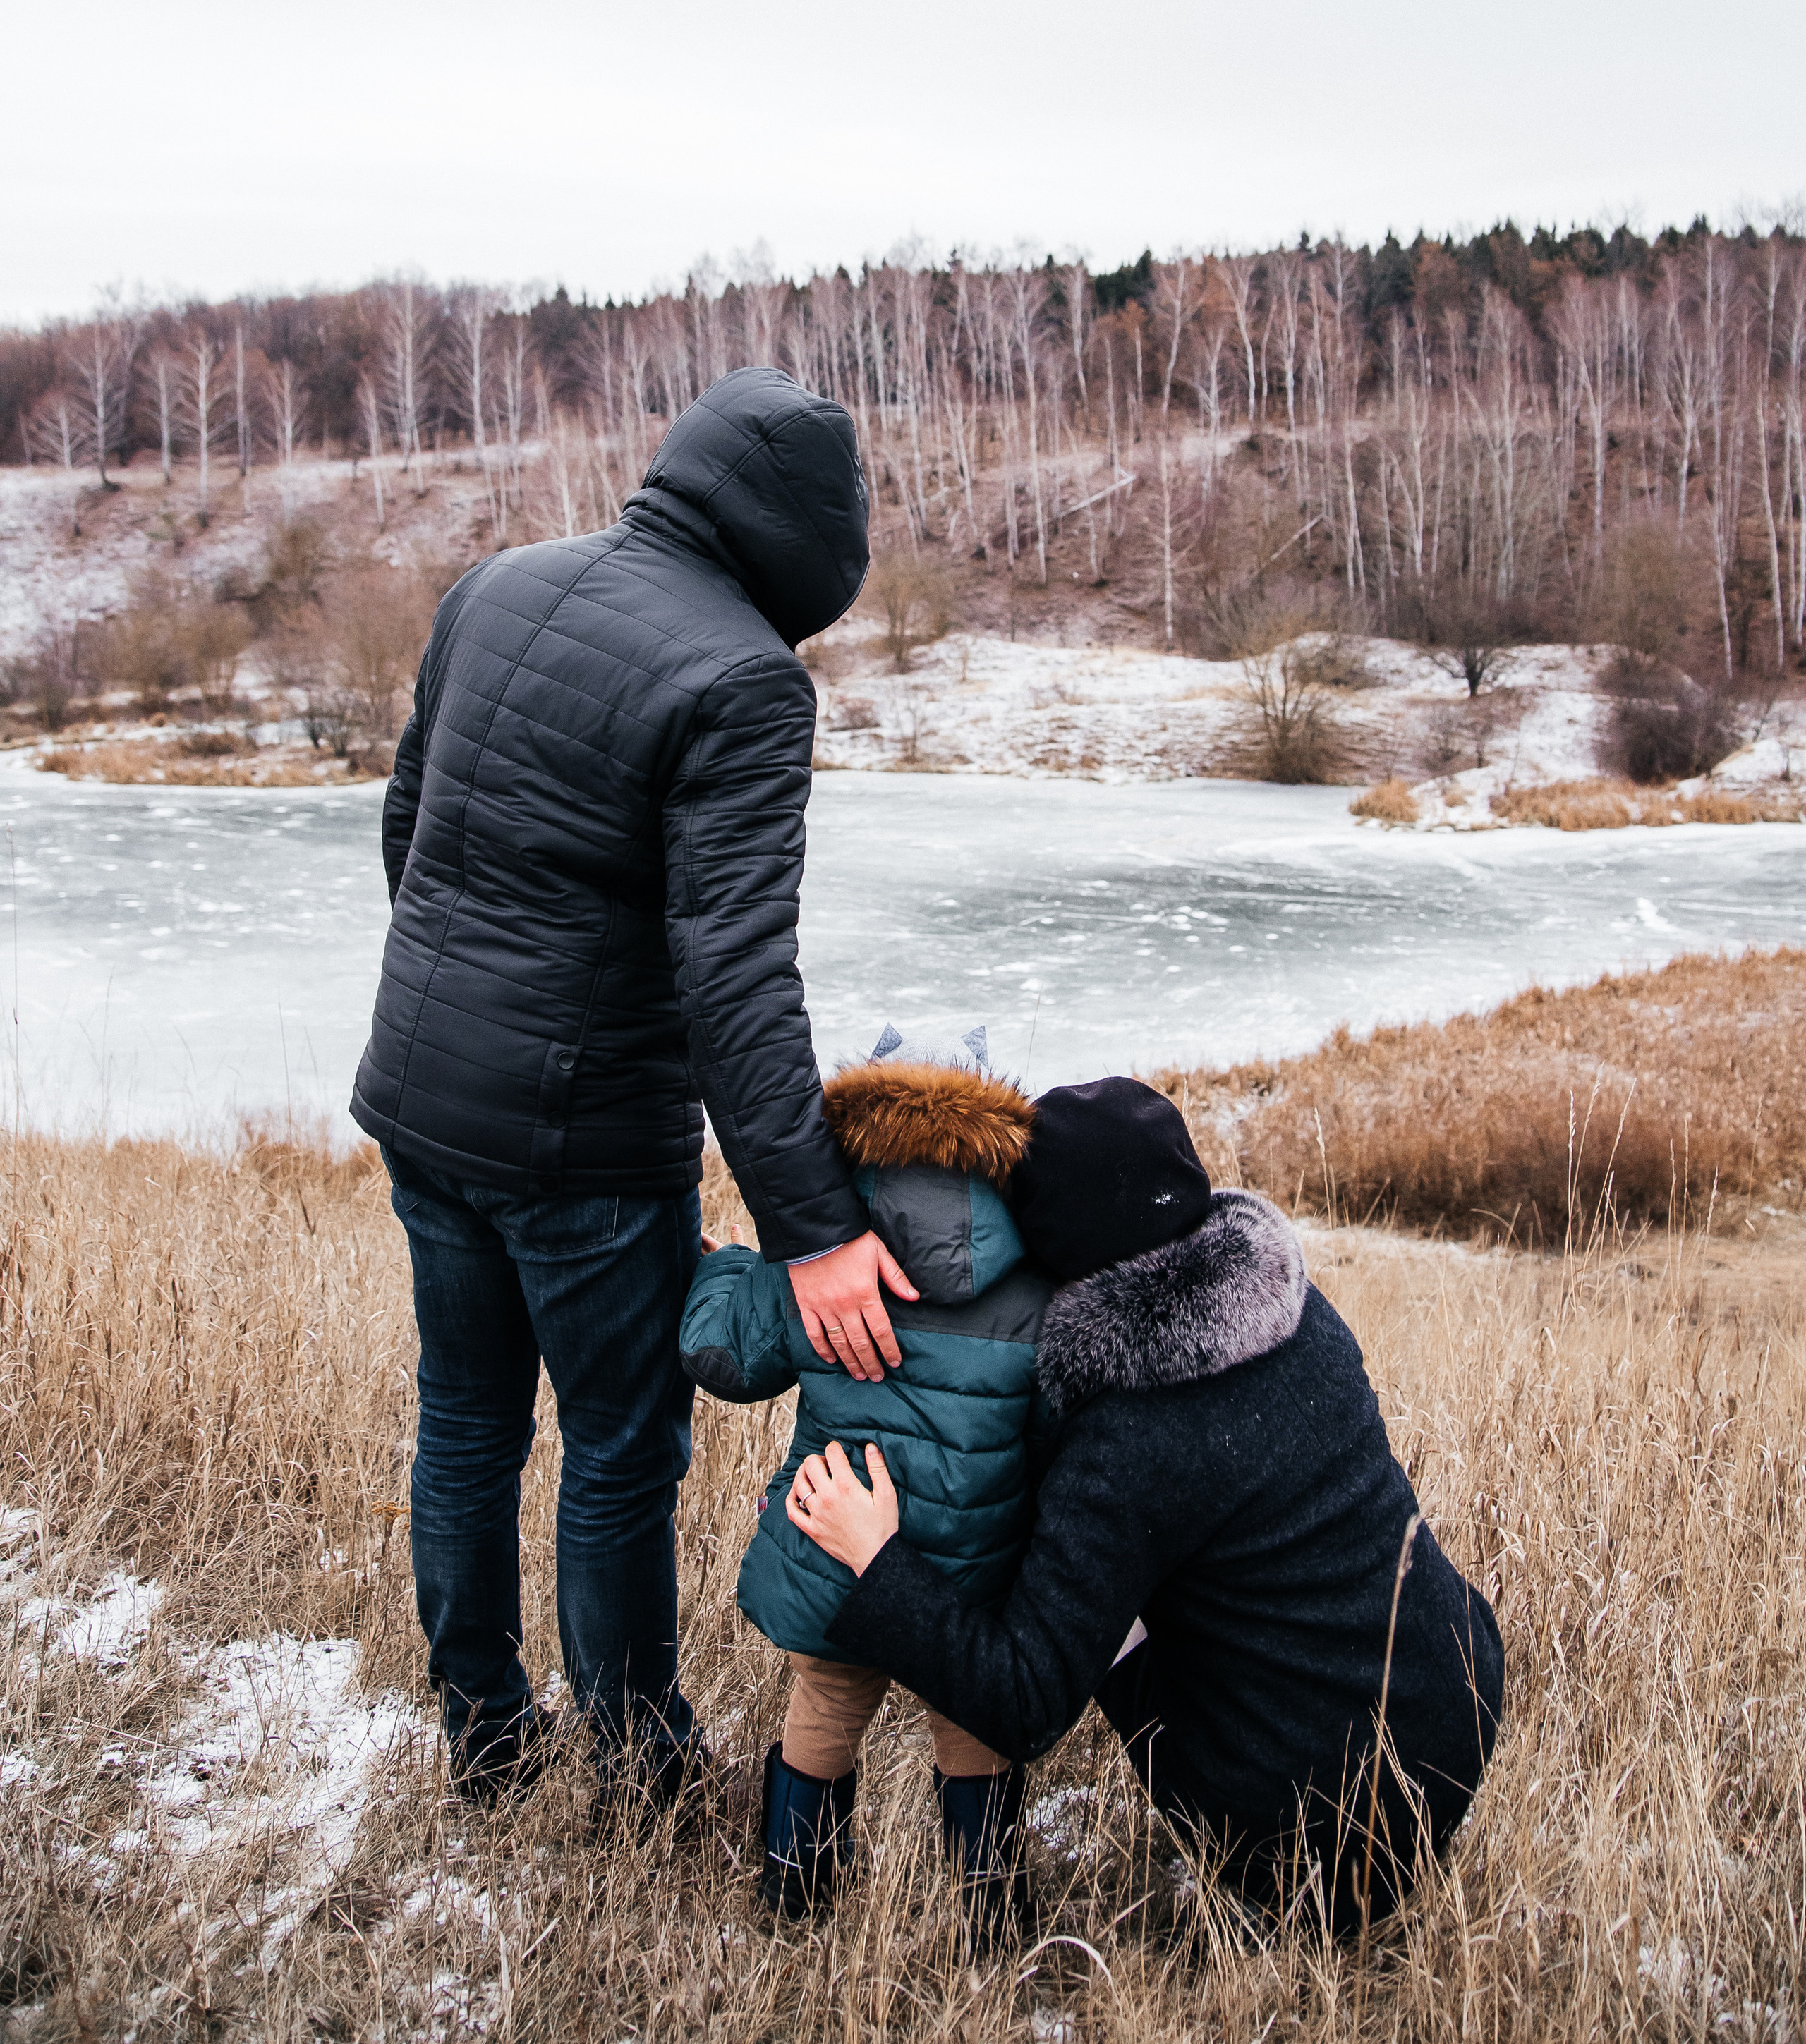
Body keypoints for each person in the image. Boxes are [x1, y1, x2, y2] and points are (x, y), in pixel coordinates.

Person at [351, 367, 917, 1801]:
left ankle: (482, 1735)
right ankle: (635, 1757)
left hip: (423, 1096)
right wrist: (814, 1230)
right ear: (802, 541)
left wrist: (458, 1010)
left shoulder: (498, 581)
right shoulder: (739, 679)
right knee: (616, 1446)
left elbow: (408, 829)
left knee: (466, 1422)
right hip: (581, 1142)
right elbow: (735, 981)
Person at [787, 1077, 1504, 1937]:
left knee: (1064, 1588)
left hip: (1305, 1836)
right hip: (1457, 1710)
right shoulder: (1302, 1313)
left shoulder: (1127, 1442)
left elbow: (1022, 1699)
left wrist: (877, 1559)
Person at [679, 1025, 1046, 1929]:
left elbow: (720, 1357)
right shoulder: (1038, 1258)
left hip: (834, 1544)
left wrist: (729, 1266)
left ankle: (796, 1894)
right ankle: (991, 1919)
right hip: (977, 1565)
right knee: (972, 1722)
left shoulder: (821, 1250)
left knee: (827, 1702)